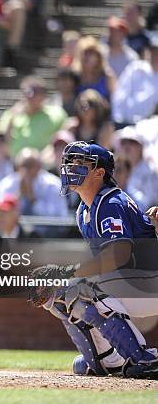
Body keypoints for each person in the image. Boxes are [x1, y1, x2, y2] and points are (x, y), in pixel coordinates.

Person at [28, 141, 158, 379]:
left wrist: (66, 272)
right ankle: (108, 359)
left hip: (150, 280)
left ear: (99, 173)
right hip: (138, 282)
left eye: (80, 164)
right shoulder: (84, 210)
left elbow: (117, 256)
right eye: (71, 162)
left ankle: (143, 359)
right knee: (61, 293)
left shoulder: (110, 202)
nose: (71, 168)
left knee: (84, 287)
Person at [0, 76, 67, 157]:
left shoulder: (57, 114)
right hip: (14, 164)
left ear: (44, 95)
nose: (30, 96)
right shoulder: (10, 114)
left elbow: (63, 140)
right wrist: (12, 119)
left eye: (36, 92)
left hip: (46, 165)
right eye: (27, 92)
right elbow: (2, 144)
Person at [0, 147, 68, 219]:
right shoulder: (8, 184)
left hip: (46, 229)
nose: (26, 170)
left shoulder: (52, 185)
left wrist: (33, 200)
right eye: (23, 165)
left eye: (30, 165)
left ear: (39, 166)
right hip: (16, 229)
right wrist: (17, 199)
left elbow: (58, 217)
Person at [111, 33, 158, 127]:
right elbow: (120, 93)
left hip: (151, 127)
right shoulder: (135, 68)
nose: (155, 55)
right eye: (153, 51)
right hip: (124, 123)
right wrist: (118, 120)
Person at [114, 126, 158, 212]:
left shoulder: (151, 171)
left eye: (132, 142)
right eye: (124, 142)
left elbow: (150, 204)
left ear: (140, 147)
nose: (127, 146)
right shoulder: (113, 167)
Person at [73, 36, 117, 101]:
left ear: (98, 56)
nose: (87, 57)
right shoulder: (75, 77)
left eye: (91, 53)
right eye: (85, 53)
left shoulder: (107, 77)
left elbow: (116, 101)